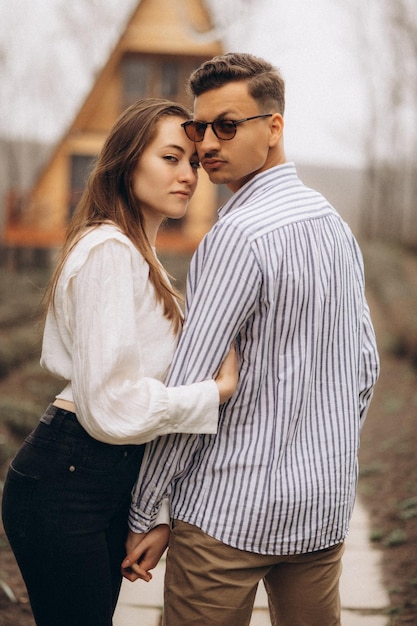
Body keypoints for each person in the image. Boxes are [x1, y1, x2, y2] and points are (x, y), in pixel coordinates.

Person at [123, 54, 380, 626]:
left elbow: (192, 382)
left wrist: (147, 508)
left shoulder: (235, 236)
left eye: (227, 125)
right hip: (321, 509)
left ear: (274, 126)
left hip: (225, 515)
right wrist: (325, 453)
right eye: (199, 128)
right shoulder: (333, 225)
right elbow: (364, 368)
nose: (207, 143)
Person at [1, 98, 238, 626]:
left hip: (103, 477)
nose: (188, 175)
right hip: (67, 480)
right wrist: (215, 392)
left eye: (194, 163)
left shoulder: (140, 256)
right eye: (171, 158)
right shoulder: (109, 251)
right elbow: (111, 404)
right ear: (128, 162)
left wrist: (149, 514)